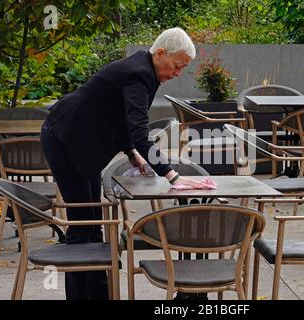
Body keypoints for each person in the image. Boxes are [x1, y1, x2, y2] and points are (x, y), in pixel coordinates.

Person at [40, 27, 202, 300]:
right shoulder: (138, 73)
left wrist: (131, 153)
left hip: (84, 143)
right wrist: (172, 176)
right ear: (160, 53)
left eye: (182, 68)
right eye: (176, 65)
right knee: (82, 225)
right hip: (65, 139)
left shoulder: (145, 71)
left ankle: (100, 295)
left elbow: (121, 117)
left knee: (96, 222)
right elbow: (140, 132)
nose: (177, 74)